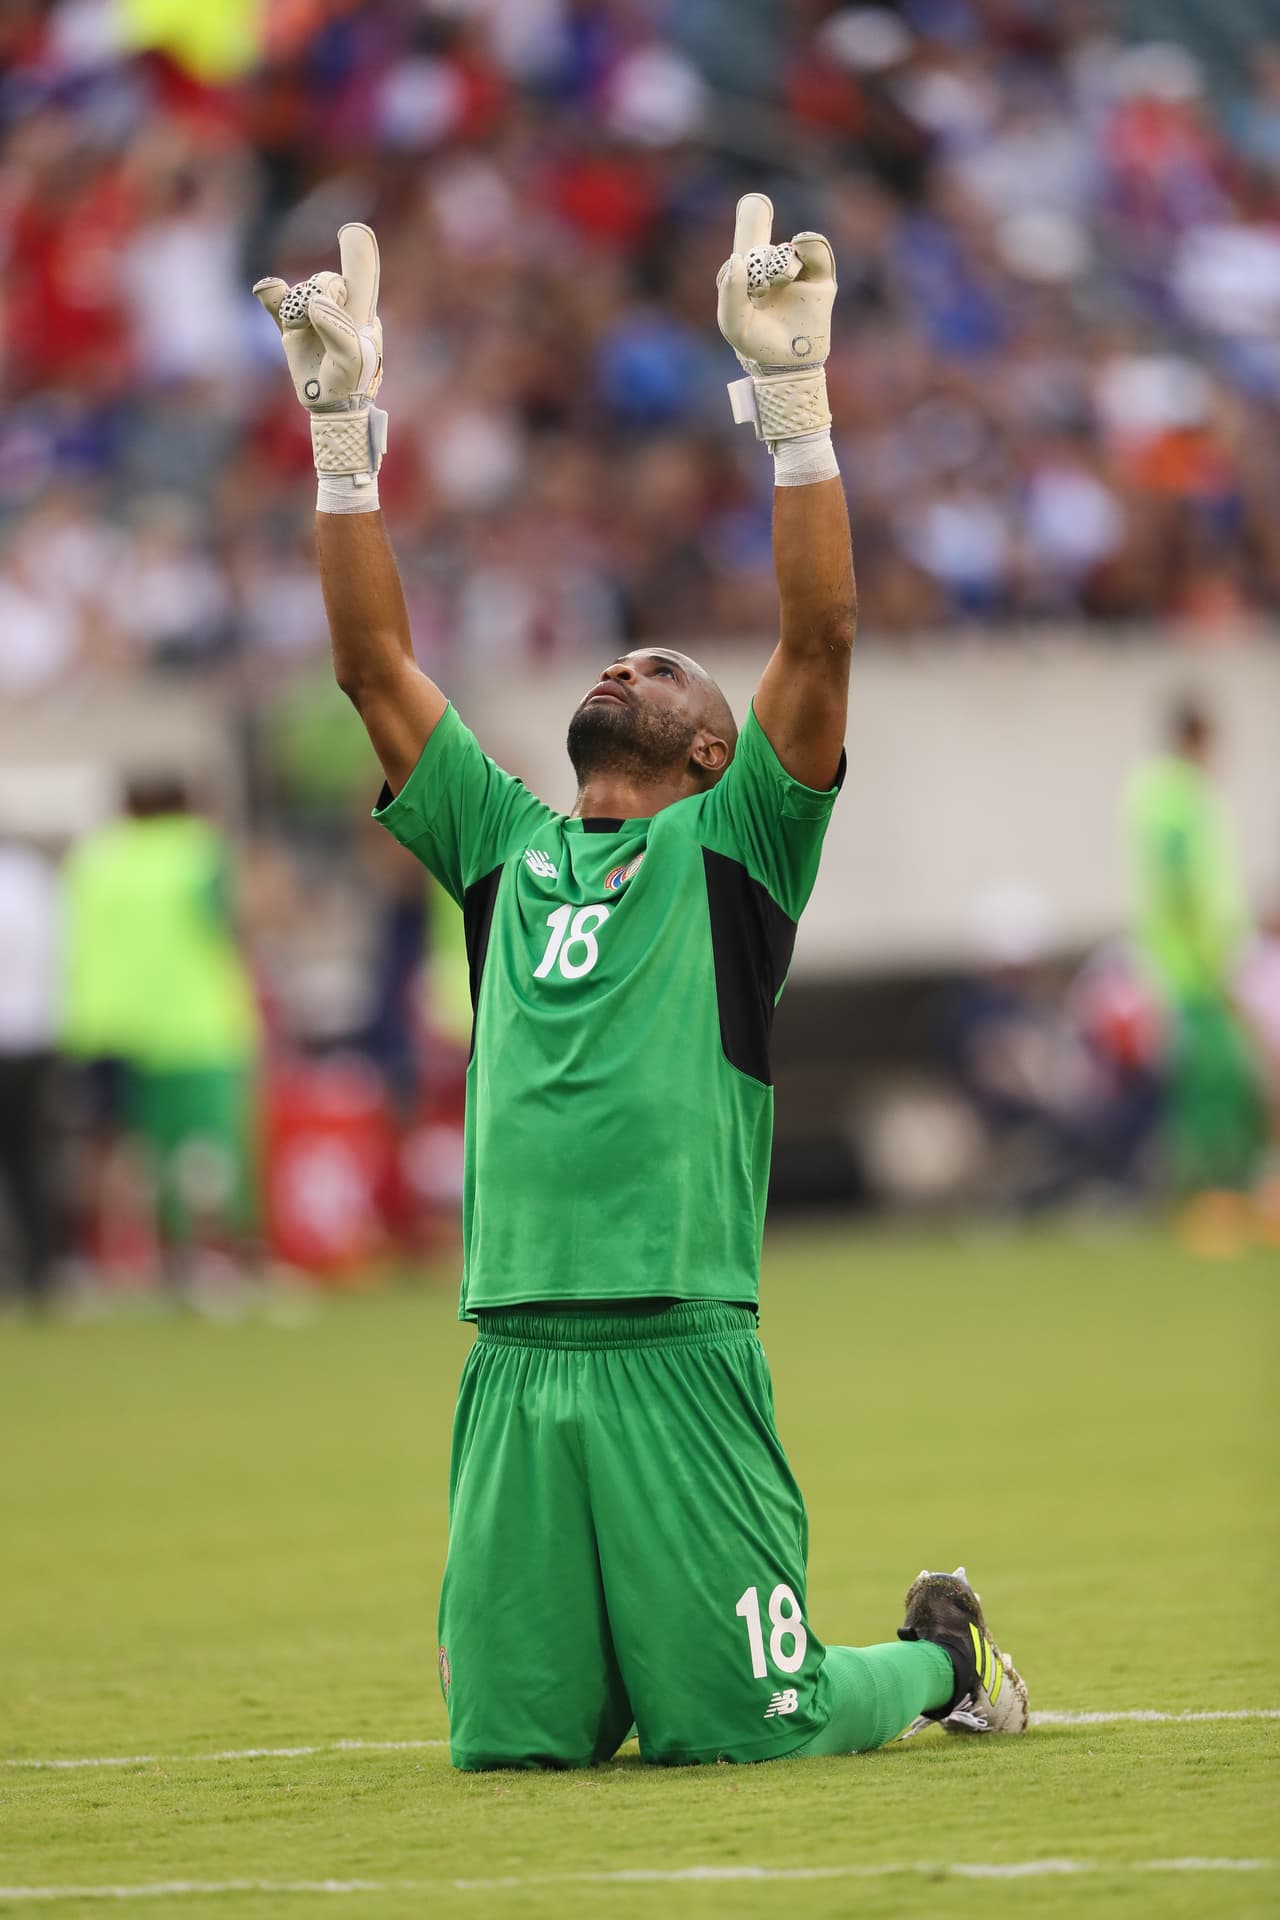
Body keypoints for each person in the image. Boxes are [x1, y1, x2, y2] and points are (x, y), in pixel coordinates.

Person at [255, 203, 1027, 1769]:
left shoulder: (741, 851)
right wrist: (344, 443)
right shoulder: (503, 842)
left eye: (667, 672)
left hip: (680, 1347)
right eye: (622, 662)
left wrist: (795, 416)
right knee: (514, 1751)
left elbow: (820, 634)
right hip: (513, 1356)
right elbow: (372, 670)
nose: (627, 666)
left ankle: (935, 1662)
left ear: (712, 753)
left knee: (753, 1725)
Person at [60, 777, 260, 1290]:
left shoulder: (95, 861)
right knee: (205, 1151)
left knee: (121, 1153)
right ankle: (214, 1264)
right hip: (193, 1027)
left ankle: (109, 1265)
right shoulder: (197, 852)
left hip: (108, 1027)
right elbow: (235, 923)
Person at [1125, 698, 1267, 1196]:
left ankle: (1220, 1190)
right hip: (1193, 968)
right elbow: (1184, 883)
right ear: (1195, 739)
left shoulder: (1171, 793)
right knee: (1210, 1084)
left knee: (1218, 1079)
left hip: (1197, 962)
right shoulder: (1177, 795)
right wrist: (1216, 959)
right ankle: (1209, 1194)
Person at [0, 833, 60, 1305]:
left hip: (19, 1031)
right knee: (28, 1157)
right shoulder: (35, 878)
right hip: (36, 1034)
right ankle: (40, 1270)